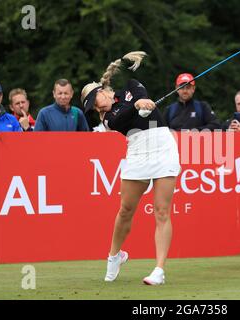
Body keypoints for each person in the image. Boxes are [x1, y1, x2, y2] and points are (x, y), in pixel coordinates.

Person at [81, 51, 181, 285]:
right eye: (91, 108)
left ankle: (159, 270)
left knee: (162, 211)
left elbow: (140, 93)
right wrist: (137, 106)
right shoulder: (108, 119)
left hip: (162, 145)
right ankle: (115, 256)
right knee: (126, 209)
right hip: (137, 151)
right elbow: (123, 116)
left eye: (93, 102)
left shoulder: (131, 85)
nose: (96, 109)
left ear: (101, 92)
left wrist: (142, 102)